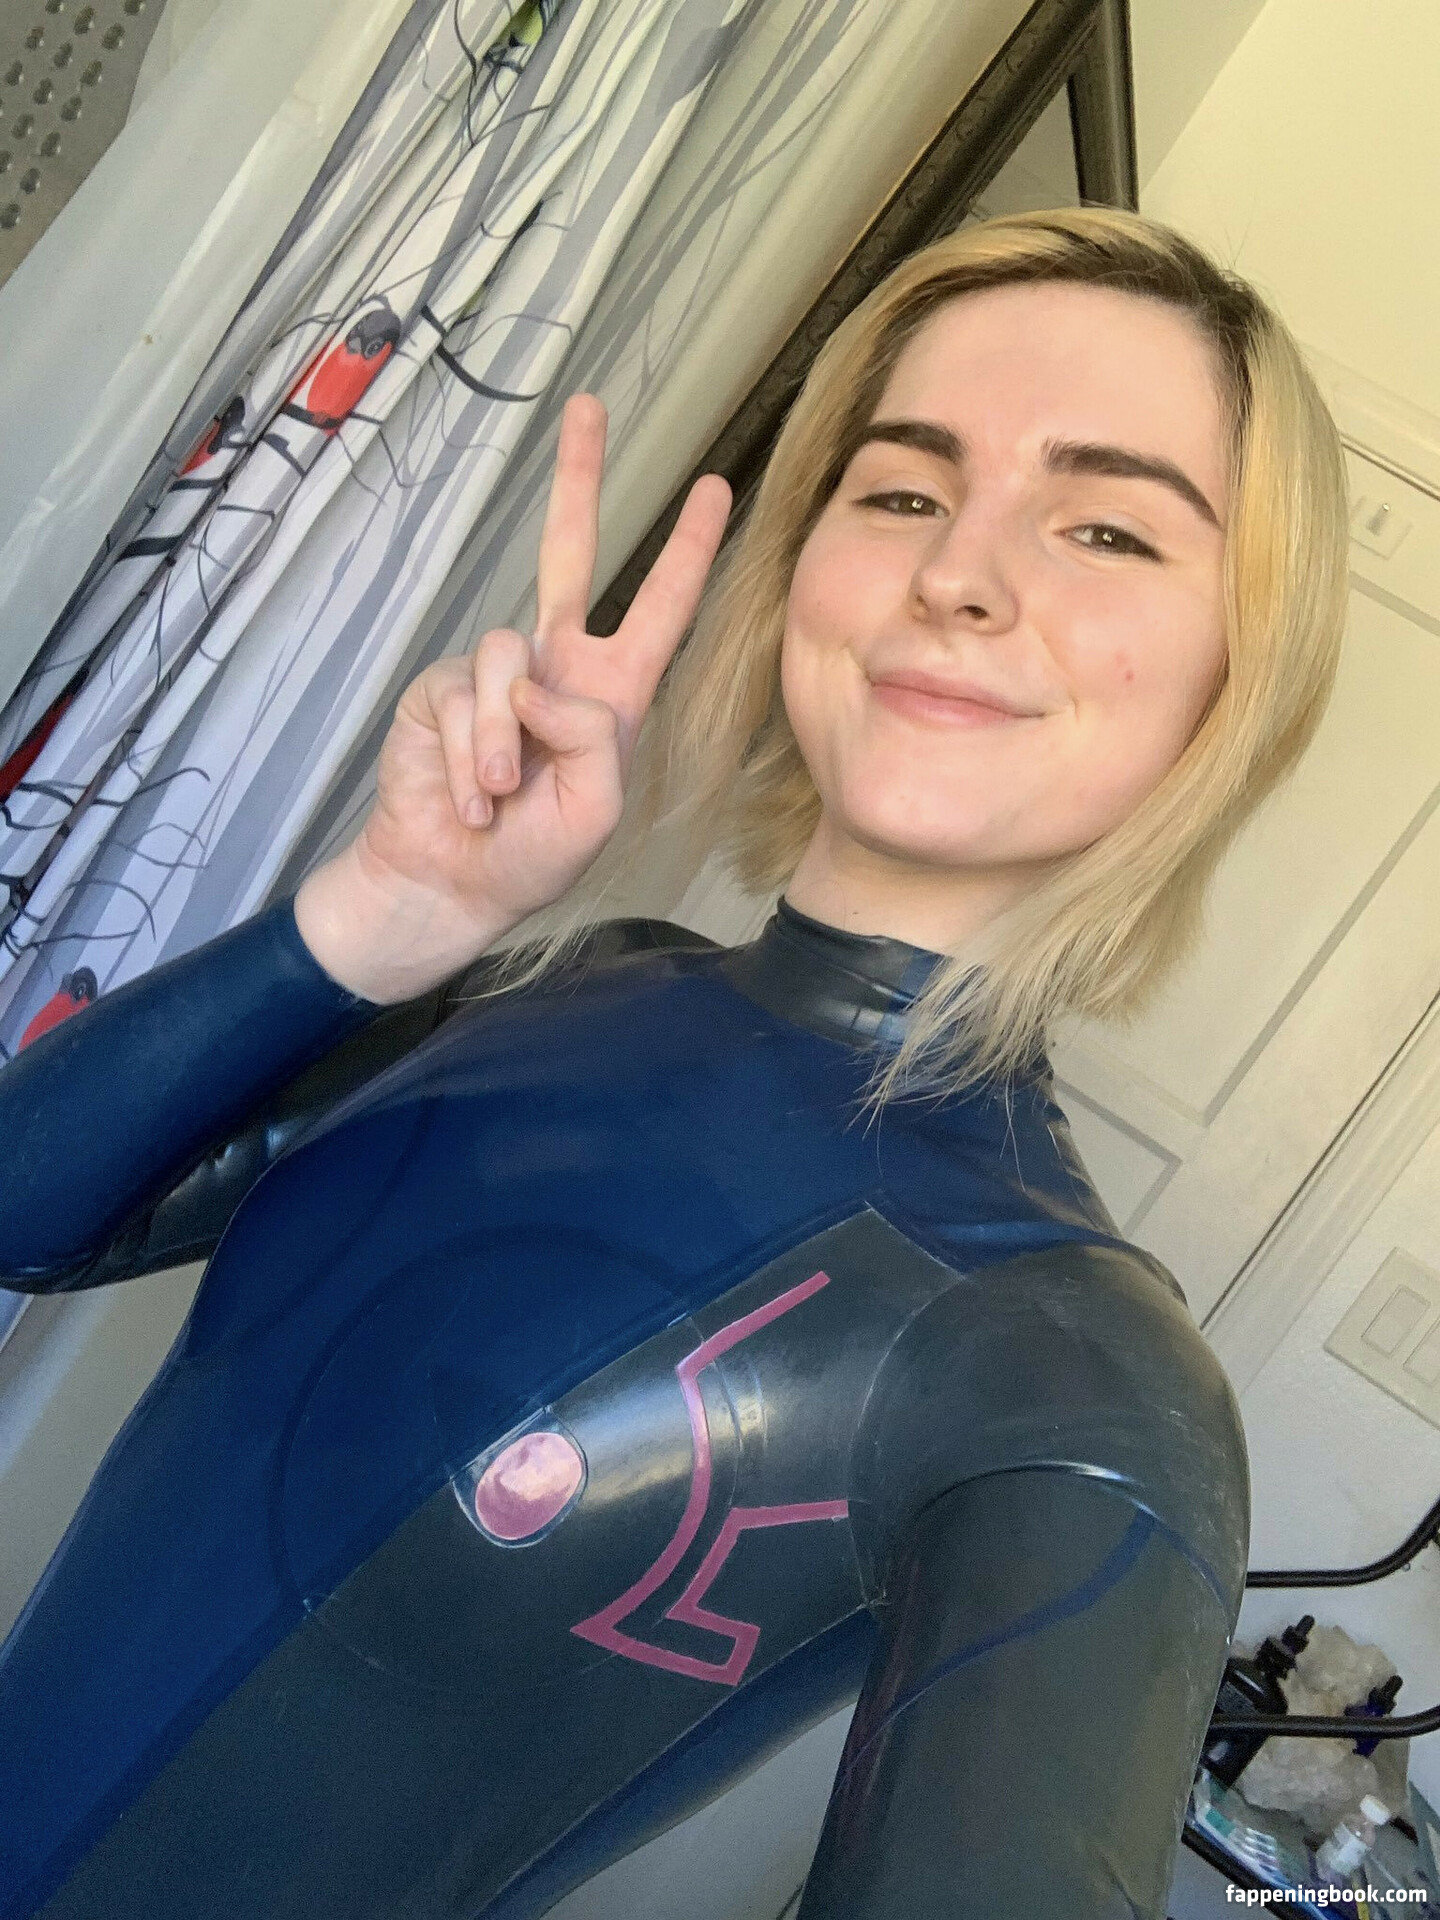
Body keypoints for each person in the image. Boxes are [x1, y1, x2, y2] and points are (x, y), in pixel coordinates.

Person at [0, 207, 1349, 1920]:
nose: (961, 572)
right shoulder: (586, 978)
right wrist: (382, 912)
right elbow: (28, 1210)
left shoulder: (1076, 1374)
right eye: (902, 492)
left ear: (1240, 675)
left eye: (1105, 527)